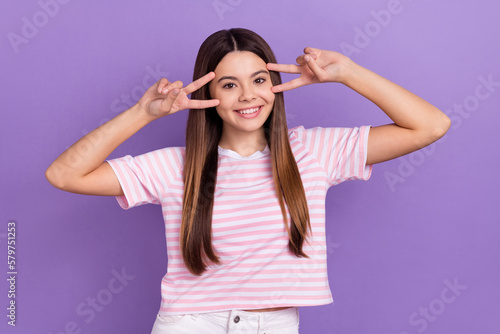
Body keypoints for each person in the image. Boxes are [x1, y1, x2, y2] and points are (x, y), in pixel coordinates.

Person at [45, 28, 450, 334]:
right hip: (190, 324)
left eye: (258, 80)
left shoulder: (312, 151)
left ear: (273, 86)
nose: (247, 96)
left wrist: (347, 72)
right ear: (209, 94)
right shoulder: (176, 168)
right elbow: (63, 174)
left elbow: (430, 125)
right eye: (228, 84)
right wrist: (142, 113)